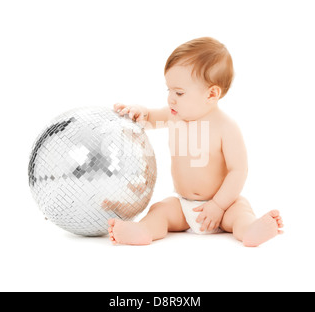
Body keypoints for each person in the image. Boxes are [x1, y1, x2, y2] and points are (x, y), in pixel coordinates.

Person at [107, 37, 284, 247]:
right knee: (160, 210)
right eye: (169, 90)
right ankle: (144, 230)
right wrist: (139, 112)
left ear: (212, 94)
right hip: (184, 205)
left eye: (179, 92)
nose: (171, 99)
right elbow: (150, 119)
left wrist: (218, 205)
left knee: (241, 213)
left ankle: (249, 230)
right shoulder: (175, 115)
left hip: (224, 206)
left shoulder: (226, 127)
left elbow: (239, 171)